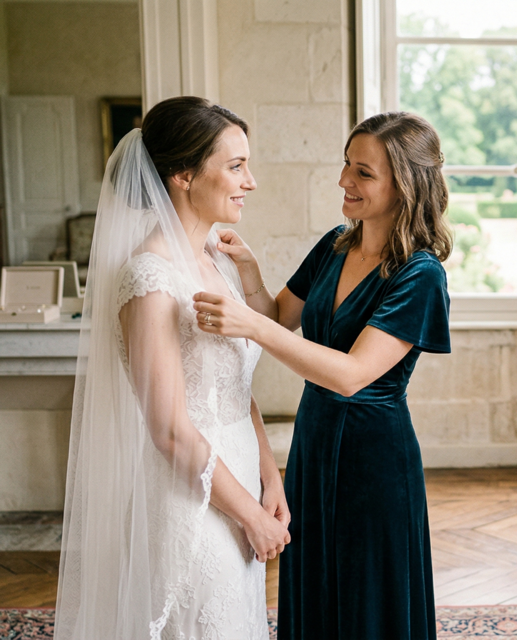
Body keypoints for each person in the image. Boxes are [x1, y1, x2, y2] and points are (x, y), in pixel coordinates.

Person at [192, 111, 453, 639]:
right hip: (314, 441)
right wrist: (248, 272)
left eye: (363, 173)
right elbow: (274, 318)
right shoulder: (337, 243)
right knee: (315, 580)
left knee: (368, 593)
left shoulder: (420, 274)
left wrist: (252, 327)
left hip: (374, 455)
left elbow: (353, 374)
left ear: (405, 185)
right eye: (346, 165)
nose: (344, 181)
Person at [55, 97, 290, 639]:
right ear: (183, 174)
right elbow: (168, 430)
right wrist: (249, 516)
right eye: (235, 166)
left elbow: (236, 386)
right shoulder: (149, 278)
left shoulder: (217, 260)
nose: (249, 181)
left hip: (238, 479)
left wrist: (268, 478)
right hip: (190, 501)